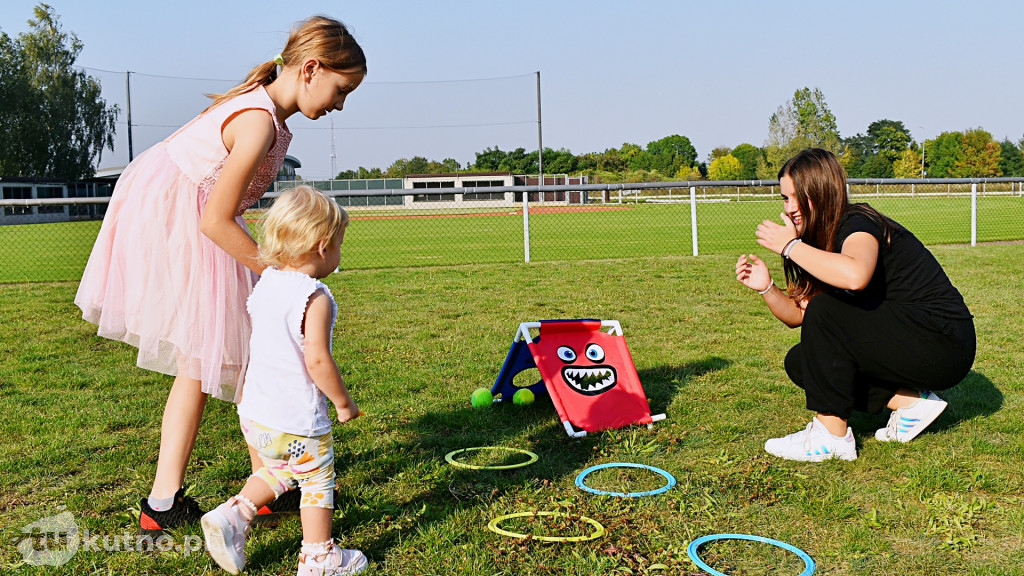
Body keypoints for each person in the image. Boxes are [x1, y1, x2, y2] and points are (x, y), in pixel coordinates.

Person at [74, 16, 366, 533]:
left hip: (201, 217)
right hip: (186, 219)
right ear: (311, 69)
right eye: (341, 90)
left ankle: (178, 499)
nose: (341, 103)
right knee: (220, 351)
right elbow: (214, 219)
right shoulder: (257, 120)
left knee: (216, 355)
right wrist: (273, 270)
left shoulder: (272, 115)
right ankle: (269, 477)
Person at [735, 148, 976, 462]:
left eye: (799, 197)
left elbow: (855, 275)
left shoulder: (857, 223)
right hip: (915, 342)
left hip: (944, 342)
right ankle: (911, 404)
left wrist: (790, 246)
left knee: (826, 312)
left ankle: (831, 437)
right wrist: (766, 287)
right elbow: (799, 315)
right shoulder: (815, 244)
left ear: (822, 193)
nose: (791, 208)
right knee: (802, 361)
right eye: (784, 198)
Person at [200, 185, 365, 575]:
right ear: (323, 245)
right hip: (297, 419)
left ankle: (234, 514)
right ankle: (319, 557)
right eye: (340, 245)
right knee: (317, 480)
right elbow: (318, 360)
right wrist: (343, 403)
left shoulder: (267, 284)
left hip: (256, 413)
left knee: (277, 469)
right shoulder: (315, 296)